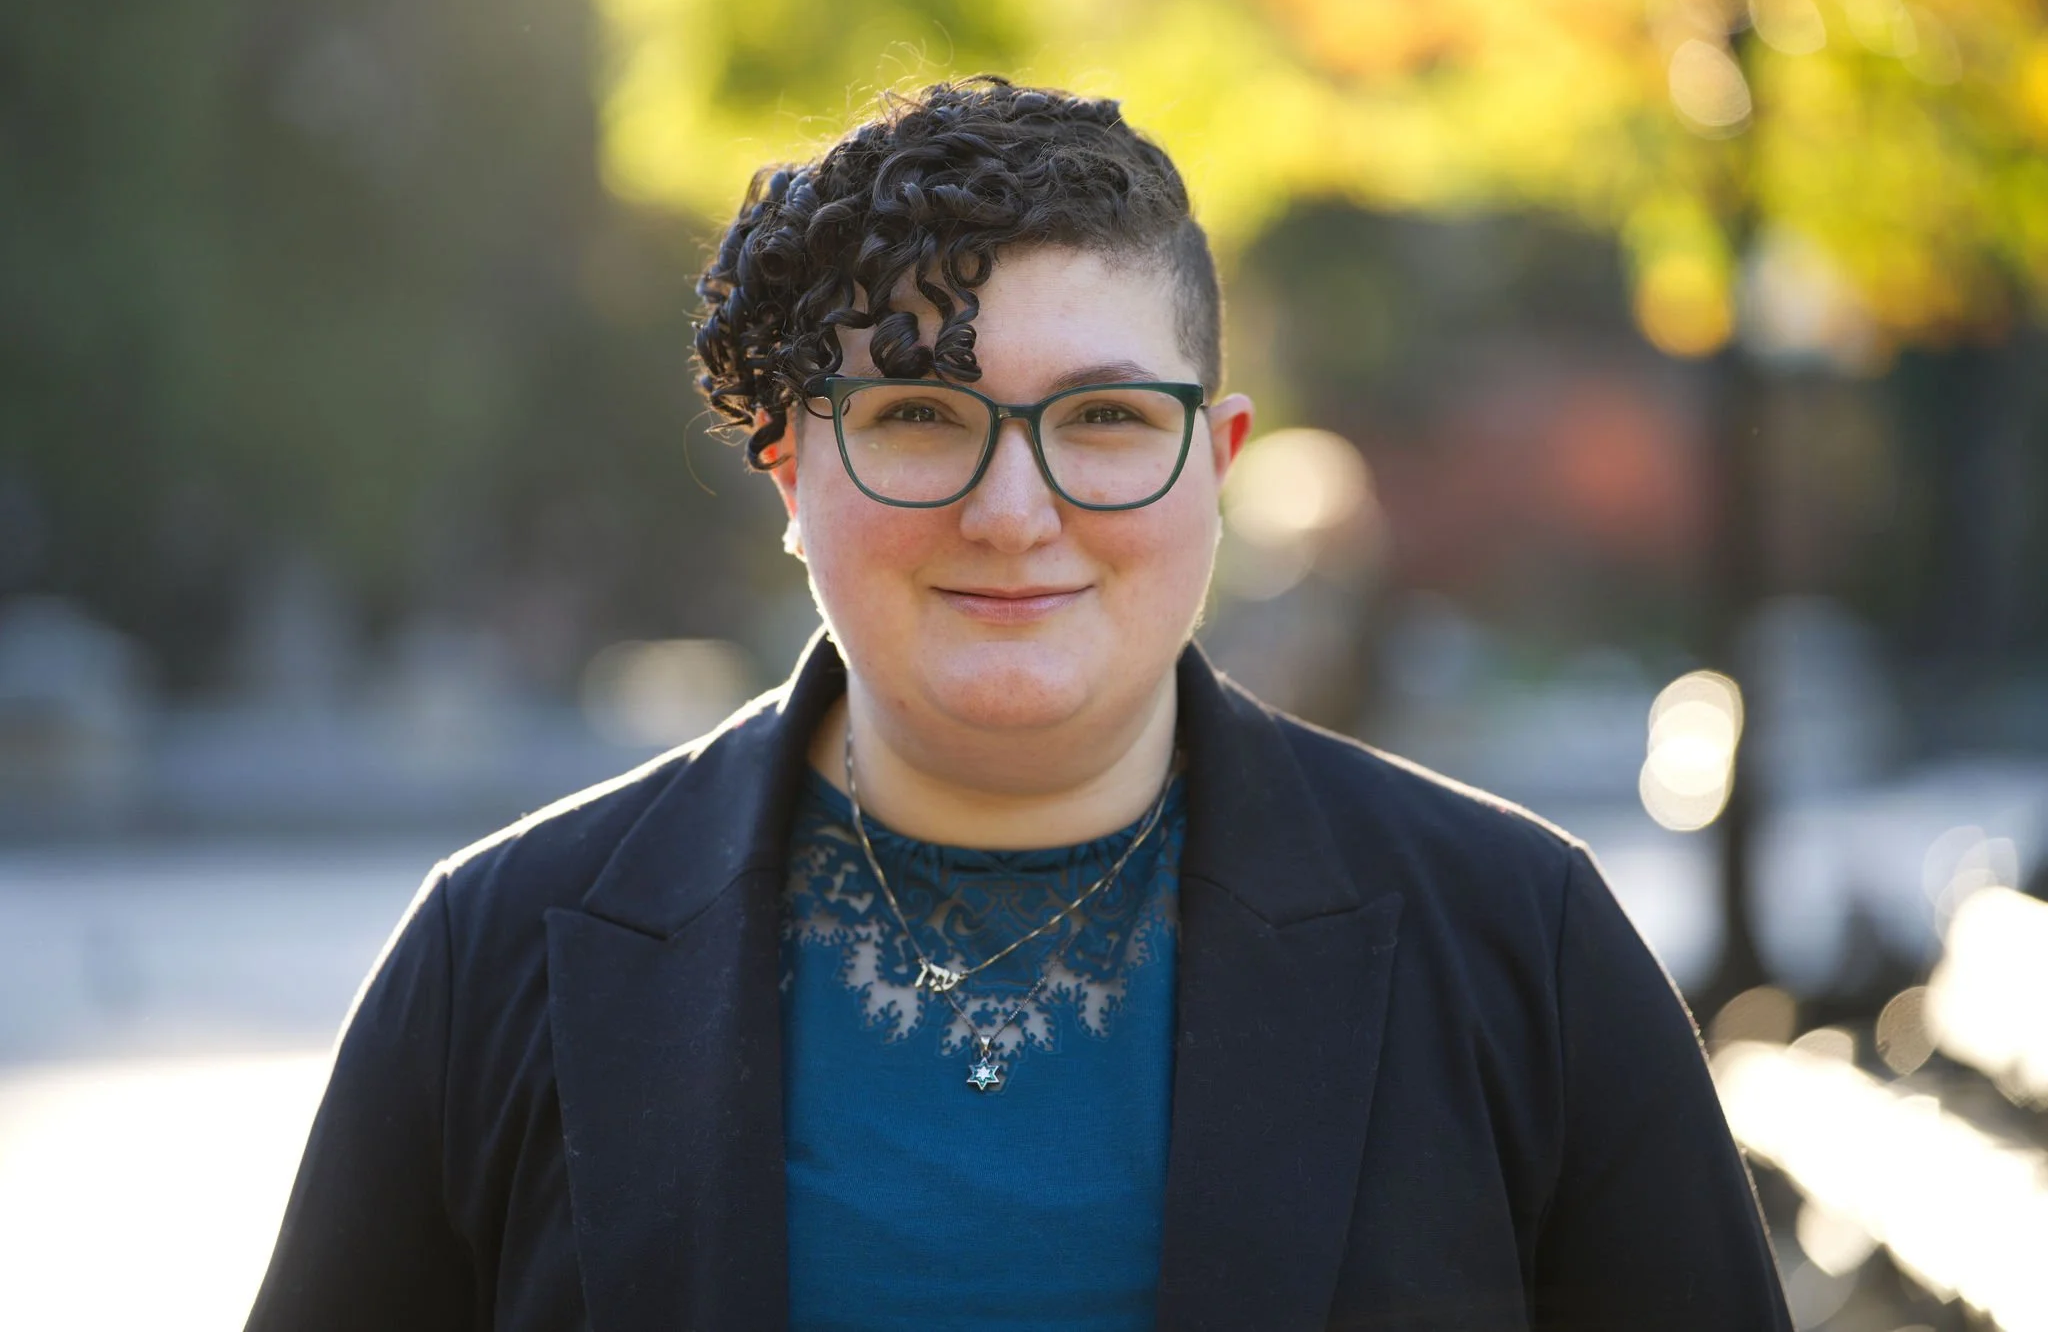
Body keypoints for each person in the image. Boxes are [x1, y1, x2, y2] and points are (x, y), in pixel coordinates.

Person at [246, 77, 1793, 1331]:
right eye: (921, 415)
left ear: (1218, 463)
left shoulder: (1526, 946)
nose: (1012, 509)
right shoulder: (496, 958)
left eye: (1106, 419)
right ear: (792, 469)